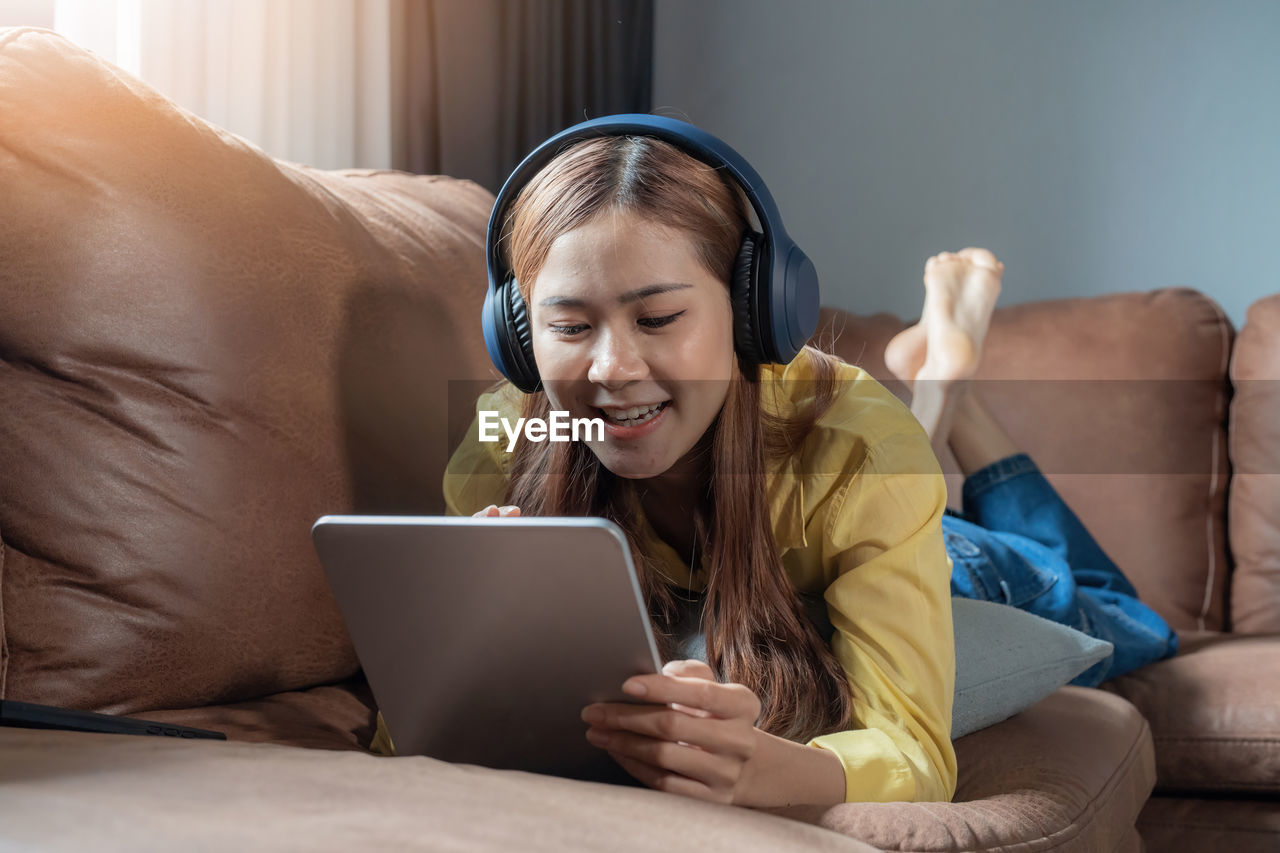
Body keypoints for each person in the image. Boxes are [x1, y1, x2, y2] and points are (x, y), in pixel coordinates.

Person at [426, 118, 959, 809]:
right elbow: (408, 731)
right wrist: (472, 638)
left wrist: (760, 770)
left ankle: (949, 395)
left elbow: (915, 752)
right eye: (569, 327)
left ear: (750, 316)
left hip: (955, 559)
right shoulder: (507, 437)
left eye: (656, 319)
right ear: (520, 337)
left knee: (1089, 606)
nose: (612, 370)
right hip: (719, 597)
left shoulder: (866, 458)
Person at [882, 249, 1179, 686]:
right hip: (931, 550)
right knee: (1126, 612)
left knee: (1131, 619)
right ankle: (941, 391)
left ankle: (944, 391)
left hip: (921, 559)